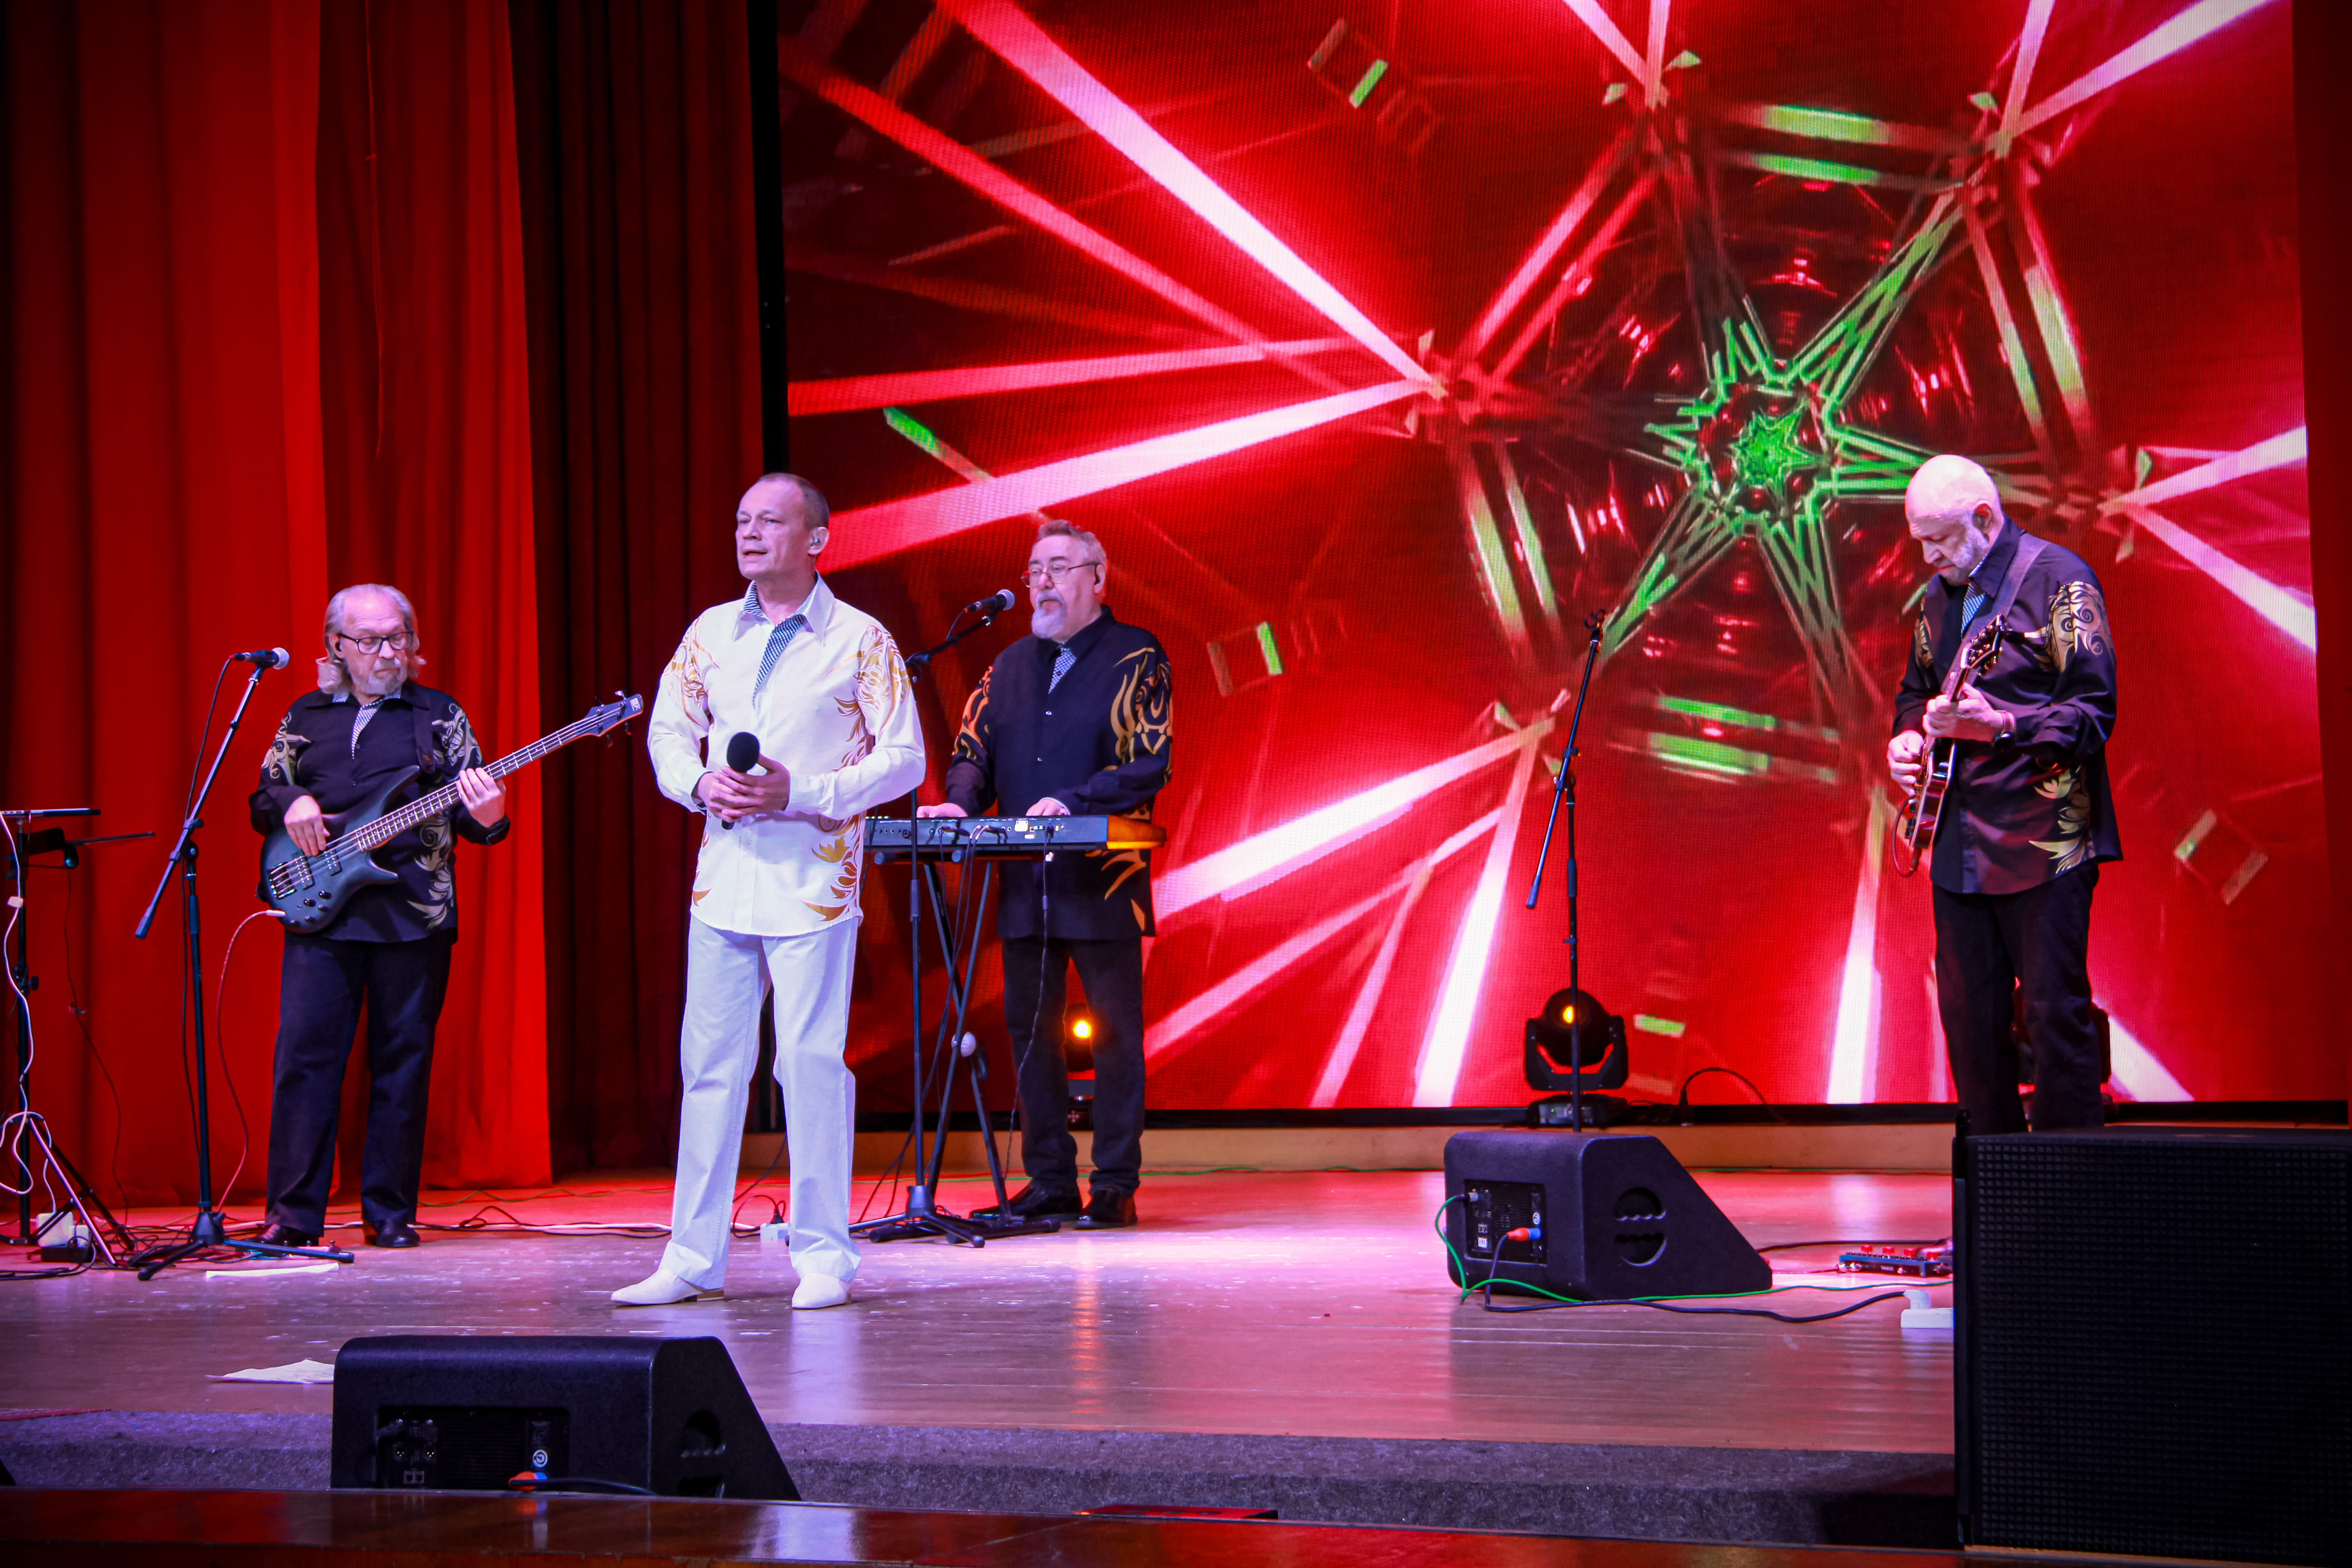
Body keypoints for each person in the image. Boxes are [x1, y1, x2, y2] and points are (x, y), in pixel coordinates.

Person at [616, 473, 923, 1310]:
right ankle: (692, 1256)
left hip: (813, 878)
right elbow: (669, 731)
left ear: (816, 538)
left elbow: (904, 758)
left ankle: (825, 1254)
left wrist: (805, 791)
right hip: (725, 878)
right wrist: (697, 784)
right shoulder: (712, 631)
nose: (750, 534)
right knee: (710, 1066)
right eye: (742, 520)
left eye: (770, 521)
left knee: (809, 1062)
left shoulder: (860, 638)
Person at [920, 519, 1172, 1230]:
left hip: (1103, 879)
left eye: (1059, 567)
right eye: (1035, 570)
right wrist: (959, 803)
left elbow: (1148, 761)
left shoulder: (1137, 655)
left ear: (1098, 576)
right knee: (1031, 1032)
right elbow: (973, 751)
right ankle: (1050, 1180)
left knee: (1116, 1034)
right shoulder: (1007, 666)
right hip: (1026, 882)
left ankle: (1115, 1184)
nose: (1043, 582)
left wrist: (1076, 800)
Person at [248, 584, 510, 1250]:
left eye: (398, 637)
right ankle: (293, 1216)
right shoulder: (305, 714)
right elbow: (264, 794)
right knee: (305, 1062)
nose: (387, 652)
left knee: (403, 1064)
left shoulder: (438, 716)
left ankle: (389, 1212)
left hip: (413, 913)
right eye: (369, 640)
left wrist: (491, 817)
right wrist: (292, 801)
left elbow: (474, 817)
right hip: (320, 911)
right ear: (337, 645)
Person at [1888, 455, 2120, 1133]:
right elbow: (1915, 691)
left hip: (2047, 836)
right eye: (1920, 541)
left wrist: (2003, 726)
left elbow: (2093, 713)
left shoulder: (2061, 580)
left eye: (1939, 539)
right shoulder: (1940, 595)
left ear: (1985, 519)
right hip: (1959, 840)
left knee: (2053, 1015)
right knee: (1969, 1023)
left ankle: (2069, 1188)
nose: (1928, 557)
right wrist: (1907, 737)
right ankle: (1995, 1186)